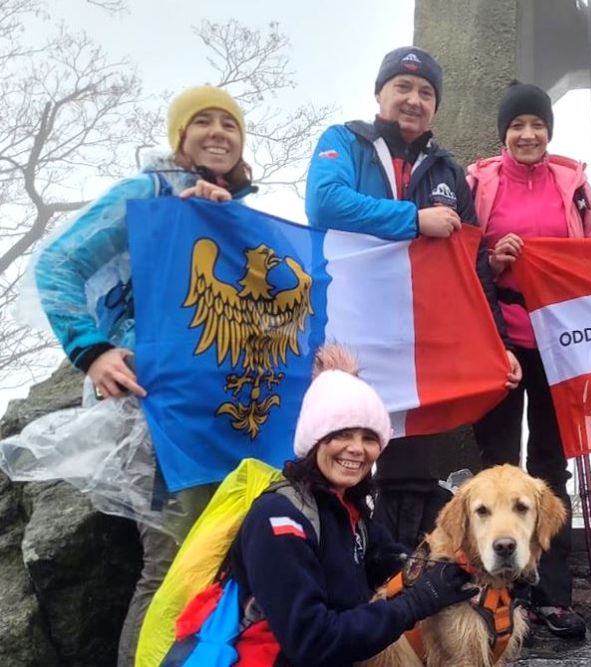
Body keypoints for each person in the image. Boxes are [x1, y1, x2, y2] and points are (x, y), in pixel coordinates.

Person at [28, 85, 256, 666]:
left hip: (225, 413)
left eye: (228, 124)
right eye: (201, 122)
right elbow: (58, 262)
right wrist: (92, 350)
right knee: (172, 564)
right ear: (179, 137)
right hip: (157, 410)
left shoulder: (239, 214)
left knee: (224, 559)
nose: (217, 133)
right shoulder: (148, 194)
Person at [304, 46, 521, 549]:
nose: (414, 99)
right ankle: (346, 597)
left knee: (412, 477)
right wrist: (411, 221)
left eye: (426, 93)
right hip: (347, 342)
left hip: (419, 350)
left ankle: (401, 596)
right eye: (402, 87)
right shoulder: (345, 141)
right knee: (344, 466)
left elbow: (472, 269)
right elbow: (324, 202)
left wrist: (498, 345)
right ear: (379, 94)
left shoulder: (447, 171)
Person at [191, 344, 475, 665]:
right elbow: (313, 641)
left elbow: (399, 564)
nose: (357, 449)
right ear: (315, 440)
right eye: (342, 434)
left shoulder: (349, 512)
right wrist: (416, 604)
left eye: (369, 438)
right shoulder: (279, 519)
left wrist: (468, 567)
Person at [466, 82, 591, 639]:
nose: (527, 135)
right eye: (517, 126)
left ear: (549, 131)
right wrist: (492, 260)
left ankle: (552, 593)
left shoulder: (574, 185)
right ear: (504, 134)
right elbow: (462, 256)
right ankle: (493, 589)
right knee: (496, 464)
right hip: (497, 339)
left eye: (537, 125)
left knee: (551, 466)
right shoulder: (481, 183)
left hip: (558, 342)